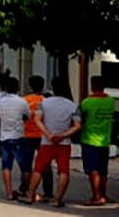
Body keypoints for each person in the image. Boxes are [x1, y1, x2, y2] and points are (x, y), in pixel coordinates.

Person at [25, 76, 81, 208]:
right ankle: (57, 199)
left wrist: (48, 134)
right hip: (64, 143)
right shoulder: (73, 106)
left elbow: (37, 119)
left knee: (38, 169)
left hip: (47, 142)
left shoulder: (44, 103)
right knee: (63, 171)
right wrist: (63, 135)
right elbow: (77, 125)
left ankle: (30, 195)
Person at [0, 77, 32, 201]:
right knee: (26, 167)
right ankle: (24, 190)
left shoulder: (0, 101)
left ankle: (9, 192)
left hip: (4, 136)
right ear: (18, 88)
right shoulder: (22, 102)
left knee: (6, 166)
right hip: (18, 136)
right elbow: (28, 115)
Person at [80, 75, 114, 206]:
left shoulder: (87, 102)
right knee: (103, 170)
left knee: (92, 169)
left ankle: (96, 196)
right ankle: (104, 194)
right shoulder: (110, 101)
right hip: (105, 140)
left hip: (90, 139)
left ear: (92, 86)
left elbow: (81, 119)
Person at [20, 75, 54, 201]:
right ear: (43, 86)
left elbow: (22, 117)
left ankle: (25, 188)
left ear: (30, 86)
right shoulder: (46, 101)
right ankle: (48, 191)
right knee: (45, 164)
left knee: (26, 164)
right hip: (42, 135)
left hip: (27, 135)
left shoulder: (25, 100)